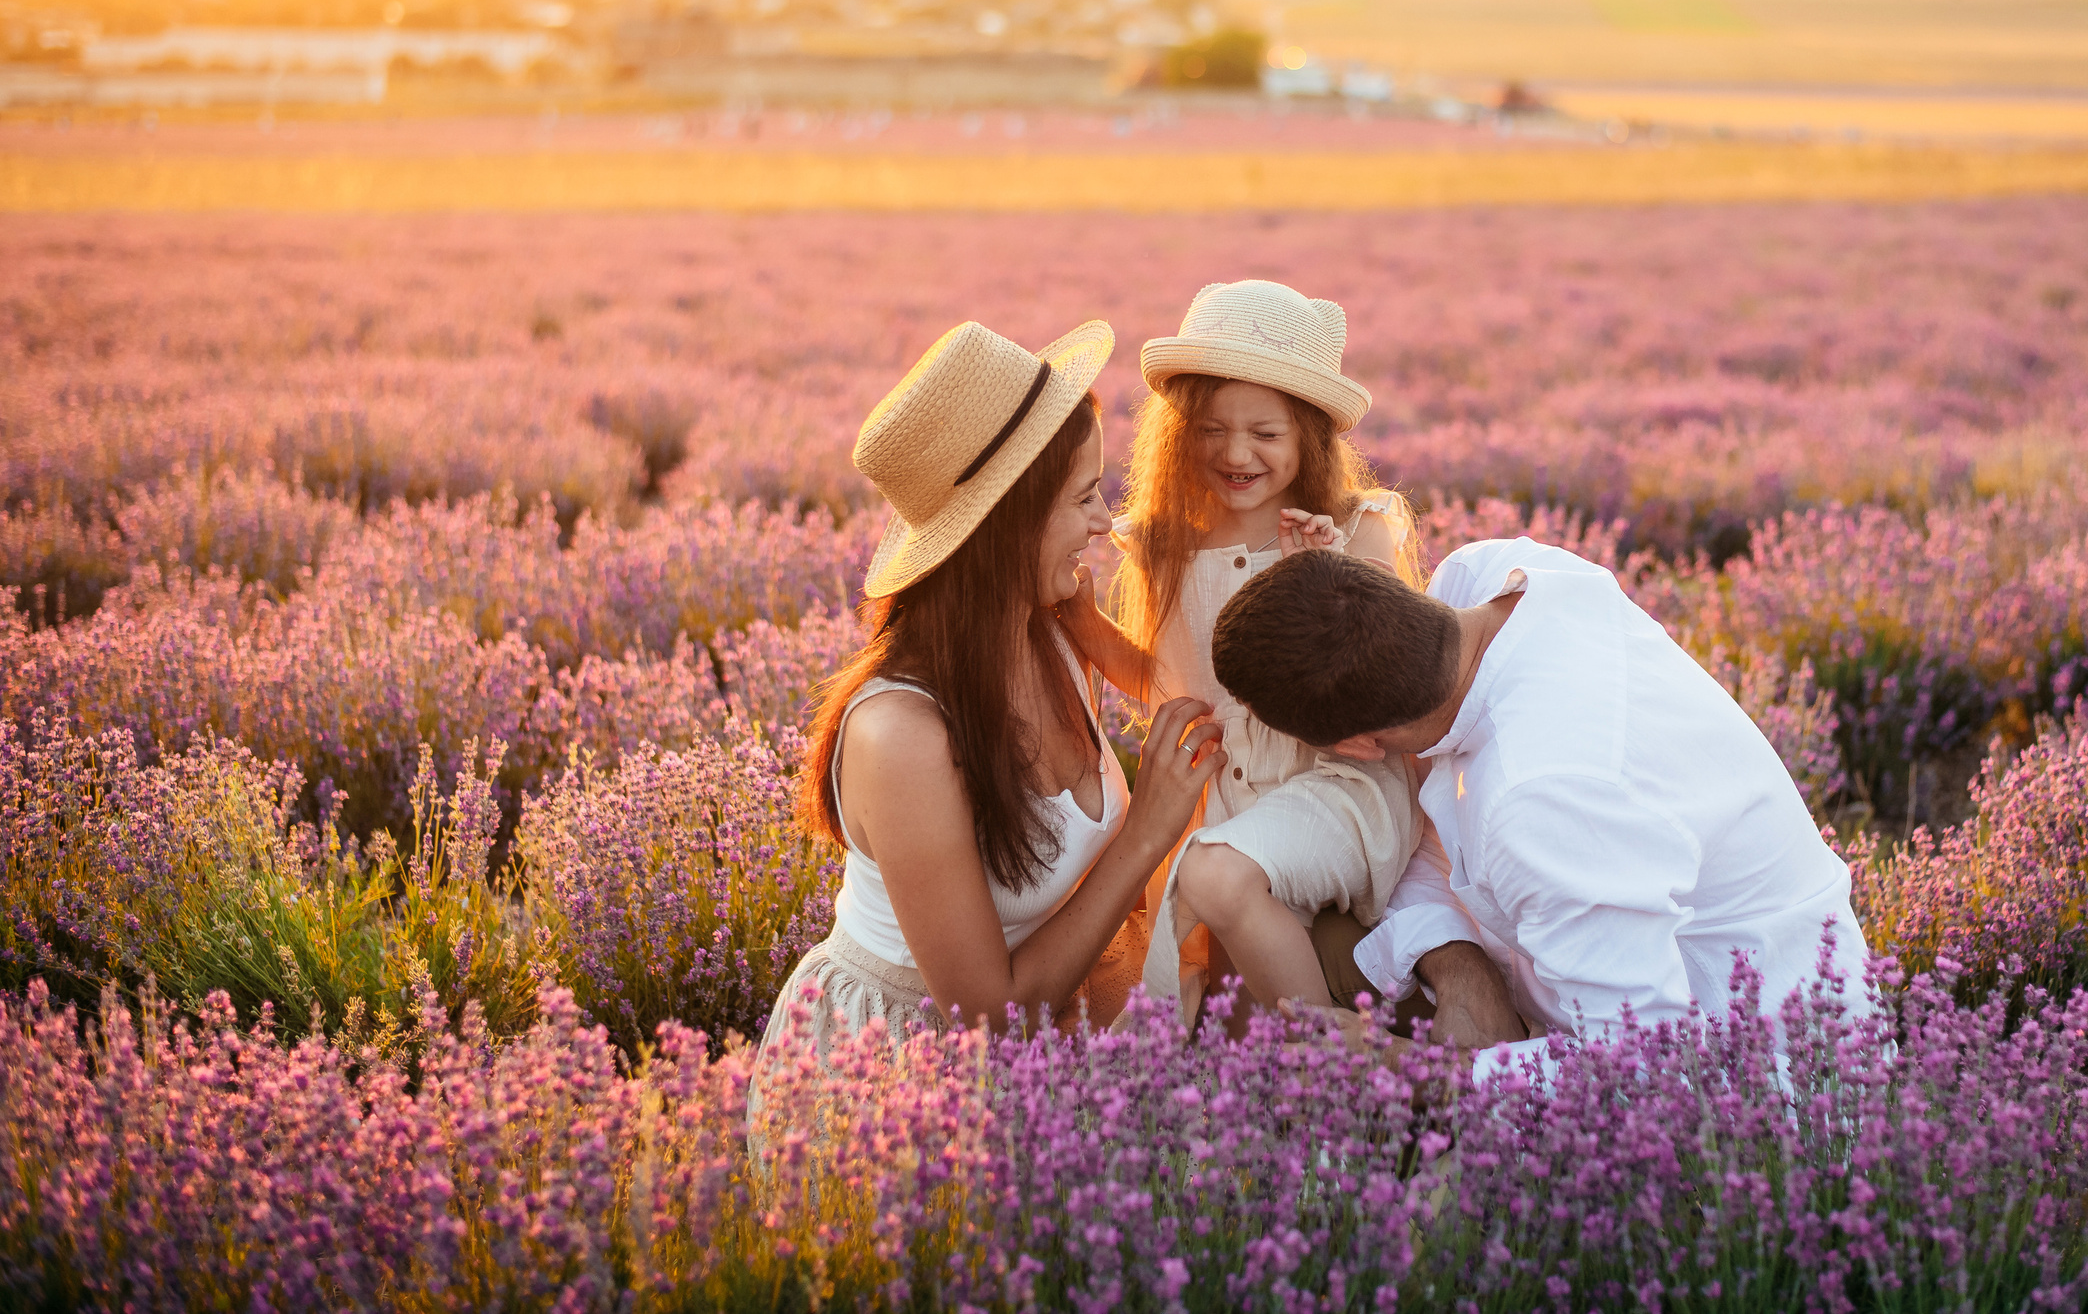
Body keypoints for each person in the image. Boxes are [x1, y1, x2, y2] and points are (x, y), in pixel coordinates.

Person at [752, 317, 1229, 1091]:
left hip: (1059, 1025)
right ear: (1005, 523)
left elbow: (1206, 702)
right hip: (904, 1074)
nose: (1105, 522)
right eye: (1083, 497)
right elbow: (991, 1020)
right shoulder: (901, 735)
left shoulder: (1051, 633)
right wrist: (1146, 830)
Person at [1210, 537, 1872, 1080]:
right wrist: (1462, 969)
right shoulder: (1489, 578)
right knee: (1335, 932)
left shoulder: (1536, 795)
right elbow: (1427, 836)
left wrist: (1412, 1073)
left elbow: (1641, 1069)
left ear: (1357, 745)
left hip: (1762, 1081)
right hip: (1601, 995)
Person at [1056, 279, 1423, 1023]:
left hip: (1333, 782)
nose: (1236, 452)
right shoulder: (1166, 543)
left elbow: (1388, 688)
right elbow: (1175, 687)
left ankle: (1336, 1070)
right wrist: (1092, 634)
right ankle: (1248, 1094)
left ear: (1310, 438)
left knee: (1210, 883)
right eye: (1213, 428)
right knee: (1218, 992)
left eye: (1265, 433)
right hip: (1228, 794)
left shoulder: (1354, 530)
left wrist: (1315, 580)